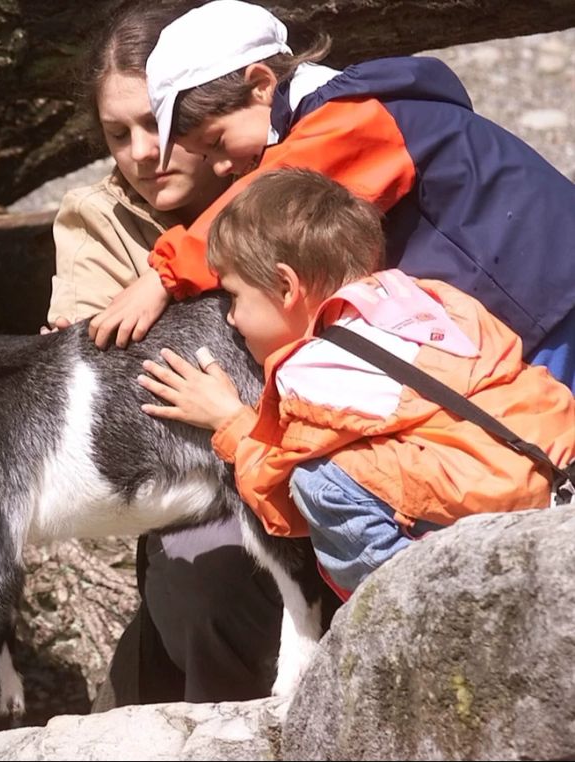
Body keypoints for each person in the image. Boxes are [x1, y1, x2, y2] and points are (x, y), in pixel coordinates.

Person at [88, 0, 575, 394]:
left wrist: (163, 276)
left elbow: (261, 207)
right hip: (532, 293)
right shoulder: (338, 111)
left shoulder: (352, 118)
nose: (220, 167)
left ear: (261, 85)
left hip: (545, 295)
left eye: (216, 143)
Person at [137, 166, 575, 597]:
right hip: (555, 461)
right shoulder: (430, 298)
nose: (231, 319)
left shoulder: (313, 373)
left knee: (317, 480)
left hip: (497, 507)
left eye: (234, 296)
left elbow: (279, 499)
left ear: (287, 287)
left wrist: (229, 420)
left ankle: (401, 601)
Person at [47, 0, 286, 707]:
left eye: (158, 122)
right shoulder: (95, 218)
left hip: (315, 441)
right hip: (194, 476)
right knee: (200, 591)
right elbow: (86, 354)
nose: (142, 153)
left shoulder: (283, 170)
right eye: (117, 134)